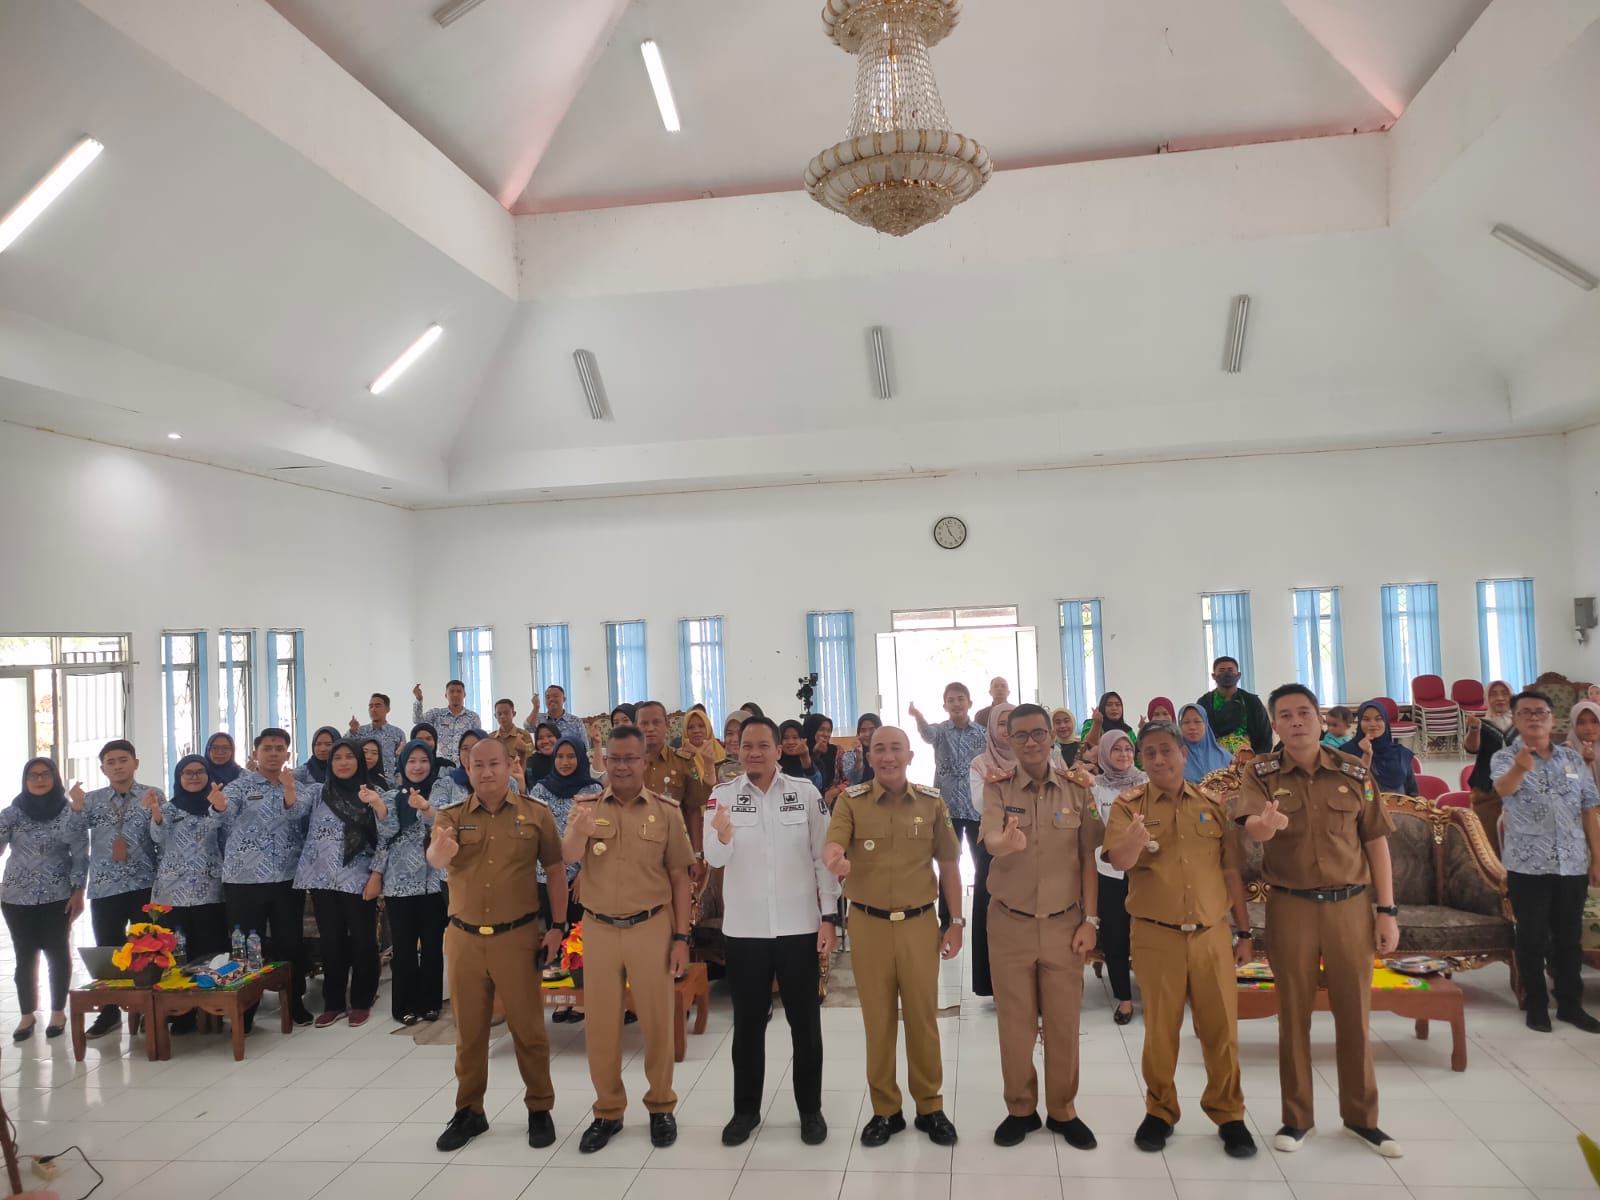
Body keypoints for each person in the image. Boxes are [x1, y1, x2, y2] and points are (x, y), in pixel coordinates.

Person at [1235, 684, 1401, 1158]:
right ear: (1275, 724)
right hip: (1291, 907)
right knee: (1293, 1015)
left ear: (1318, 716)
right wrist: (1264, 827)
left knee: (1355, 1013)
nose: (1296, 721)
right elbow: (1250, 825)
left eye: (1304, 712)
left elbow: (1376, 842)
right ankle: (1297, 1118)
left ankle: (1362, 1119)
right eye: (1284, 715)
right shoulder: (1261, 772)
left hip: (1351, 906)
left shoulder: (1353, 770)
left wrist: (1386, 911)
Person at [1104, 721, 1257, 1159]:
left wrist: (1244, 931)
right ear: (1140, 759)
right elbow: (1118, 861)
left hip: (1211, 936)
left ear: (1183, 753)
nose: (1158, 760)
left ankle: (1229, 1114)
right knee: (1160, 1031)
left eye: (1166, 751)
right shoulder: (1127, 806)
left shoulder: (1213, 804)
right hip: (1156, 937)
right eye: (1148, 753)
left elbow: (1232, 871)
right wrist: (1132, 842)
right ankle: (1160, 1111)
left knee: (1221, 1030)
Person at [824, 726, 963, 1148]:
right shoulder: (851, 802)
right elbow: (832, 845)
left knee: (923, 1017)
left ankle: (930, 1106)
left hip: (920, 923)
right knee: (878, 1020)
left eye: (895, 749)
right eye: (878, 749)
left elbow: (950, 864)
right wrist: (836, 859)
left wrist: (955, 921)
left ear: (909, 755)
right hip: (868, 924)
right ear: (868, 755)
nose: (887, 756)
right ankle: (885, 1110)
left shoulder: (932, 802)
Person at [429, 736, 568, 1153]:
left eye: (494, 764)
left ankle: (539, 1108)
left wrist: (559, 925)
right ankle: (470, 1111)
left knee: (529, 1031)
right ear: (466, 770)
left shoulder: (536, 815)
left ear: (511, 765)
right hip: (464, 940)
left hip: (518, 938)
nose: (486, 773)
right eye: (477, 766)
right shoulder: (449, 817)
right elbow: (436, 860)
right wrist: (438, 853)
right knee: (469, 1034)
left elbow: (556, 871)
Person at [705, 716, 839, 1147]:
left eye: (764, 745)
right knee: (747, 1027)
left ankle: (810, 1111)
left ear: (779, 750)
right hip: (745, 932)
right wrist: (722, 837)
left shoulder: (805, 794)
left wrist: (829, 916)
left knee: (806, 1025)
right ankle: (745, 1111)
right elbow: (714, 859)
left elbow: (824, 858)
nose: (754, 752)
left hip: (799, 927)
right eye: (747, 746)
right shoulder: (721, 796)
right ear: (737, 750)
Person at [562, 725, 695, 1154]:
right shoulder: (583, 807)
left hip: (652, 927)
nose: (621, 766)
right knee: (601, 1027)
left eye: (630, 759)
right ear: (604, 762)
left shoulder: (666, 812)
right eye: (614, 759)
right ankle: (608, 1112)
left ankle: (661, 1106)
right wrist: (579, 832)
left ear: (644, 762)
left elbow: (680, 877)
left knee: (657, 1023)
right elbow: (566, 857)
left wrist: (681, 937)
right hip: (598, 929)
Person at [979, 704, 1101, 1150]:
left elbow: (1090, 856)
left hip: (1064, 924)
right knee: (1015, 1023)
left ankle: (1063, 1110)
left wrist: (1091, 920)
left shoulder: (1078, 790)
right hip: (1009, 923)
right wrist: (1004, 843)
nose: (1030, 742)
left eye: (1038, 733)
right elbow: (991, 837)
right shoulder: (997, 789)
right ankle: (1021, 1109)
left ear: (1052, 737)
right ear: (1009, 740)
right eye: (1021, 735)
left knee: (1065, 1022)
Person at [1490, 692, 1600, 1034]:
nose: (1534, 718)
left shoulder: (1573, 759)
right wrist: (1522, 768)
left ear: (1553, 720)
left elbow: (1588, 809)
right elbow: (1504, 791)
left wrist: (1596, 858)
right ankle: (1536, 1005)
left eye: (1541, 712)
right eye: (1526, 713)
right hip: (1528, 866)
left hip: (1571, 864)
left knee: (1569, 939)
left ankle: (1570, 1005)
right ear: (1516, 721)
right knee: (1533, 938)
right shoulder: (1505, 757)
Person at [293, 739, 395, 1027]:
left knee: (363, 941)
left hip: (359, 877)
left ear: (360, 762)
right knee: (331, 943)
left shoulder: (373, 794)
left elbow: (387, 837)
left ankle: (362, 1000)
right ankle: (334, 1002)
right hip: (323, 878)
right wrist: (286, 784)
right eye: (338, 757)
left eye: (350, 757)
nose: (344, 762)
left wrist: (376, 875)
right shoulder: (317, 793)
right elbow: (293, 813)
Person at [219, 728, 316, 1028]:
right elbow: (221, 815)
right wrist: (218, 804)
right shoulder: (238, 787)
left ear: (288, 753)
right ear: (255, 753)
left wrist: (288, 789)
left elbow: (297, 814)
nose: (273, 753)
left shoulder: (300, 786)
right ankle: (246, 1008)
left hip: (287, 877)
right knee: (247, 944)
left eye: (279, 748)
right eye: (267, 748)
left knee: (291, 943)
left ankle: (294, 1002)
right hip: (244, 879)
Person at [71, 739, 160, 1039]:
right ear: (103, 768)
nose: (118, 766)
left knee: (147, 950)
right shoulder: (93, 800)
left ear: (136, 762)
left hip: (144, 884)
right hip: (105, 886)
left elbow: (163, 837)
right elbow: (73, 836)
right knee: (108, 951)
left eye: (123, 759)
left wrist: (156, 813)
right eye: (111, 762)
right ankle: (109, 1013)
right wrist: (77, 808)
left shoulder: (152, 794)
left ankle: (149, 1010)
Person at [0, 759, 86, 1041]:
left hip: (57, 894)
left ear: (55, 777)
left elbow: (80, 854)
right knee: (25, 955)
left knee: (57, 952)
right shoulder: (12, 813)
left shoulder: (68, 813)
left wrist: (78, 891)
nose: (39, 780)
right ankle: (27, 1015)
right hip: (16, 896)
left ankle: (58, 1012)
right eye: (33, 775)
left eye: (45, 774)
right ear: (25, 780)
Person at [530, 736, 601, 1024]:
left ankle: (582, 998)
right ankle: (561, 996)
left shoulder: (593, 789)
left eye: (571, 756)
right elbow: (535, 832)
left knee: (581, 936)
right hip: (547, 875)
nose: (565, 761)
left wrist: (585, 870)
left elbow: (598, 835)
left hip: (582, 876)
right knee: (554, 933)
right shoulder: (540, 790)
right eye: (560, 756)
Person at [375, 740, 446, 1025]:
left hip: (433, 882)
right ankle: (403, 1005)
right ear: (403, 765)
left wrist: (426, 808)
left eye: (423, 760)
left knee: (431, 947)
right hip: (399, 884)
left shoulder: (440, 793)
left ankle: (430, 1003)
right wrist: (379, 806)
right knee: (404, 948)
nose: (418, 766)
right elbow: (386, 832)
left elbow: (441, 825)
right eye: (411, 761)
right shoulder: (391, 796)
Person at [909, 682, 988, 930]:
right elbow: (926, 734)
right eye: (951, 700)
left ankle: (984, 913)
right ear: (945, 705)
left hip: (976, 807)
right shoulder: (941, 731)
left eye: (960, 699)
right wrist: (919, 718)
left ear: (969, 703)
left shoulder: (981, 733)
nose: (956, 703)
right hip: (947, 808)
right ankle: (947, 918)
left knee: (982, 863)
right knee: (948, 862)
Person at [961, 703, 1017, 999]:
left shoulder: (1037, 758)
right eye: (1002, 724)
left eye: (1013, 723)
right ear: (991, 728)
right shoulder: (980, 763)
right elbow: (980, 806)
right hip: (993, 843)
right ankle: (992, 983)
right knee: (990, 911)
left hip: (1031, 843)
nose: (1007, 730)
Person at [150, 756, 229, 962]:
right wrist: (156, 815)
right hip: (171, 893)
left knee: (211, 953)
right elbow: (157, 837)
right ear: (179, 776)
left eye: (200, 772)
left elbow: (225, 831)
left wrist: (219, 809)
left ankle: (211, 994)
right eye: (188, 772)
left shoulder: (217, 806)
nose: (194, 777)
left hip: (210, 892)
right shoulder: (167, 808)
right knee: (174, 956)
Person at [1090, 731, 1145, 1023]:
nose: (1124, 754)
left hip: (1145, 871)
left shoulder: (1146, 782)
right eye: (1117, 750)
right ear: (1105, 754)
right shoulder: (1096, 788)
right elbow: (1095, 829)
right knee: (1115, 936)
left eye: (1128, 749)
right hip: (1109, 871)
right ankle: (1124, 999)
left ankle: (1153, 992)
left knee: (1149, 934)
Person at [638, 700, 711, 874]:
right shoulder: (627, 763)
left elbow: (693, 810)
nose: (650, 728)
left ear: (667, 725)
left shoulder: (683, 762)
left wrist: (697, 855)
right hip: (636, 851)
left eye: (656, 722)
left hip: (675, 851)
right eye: (644, 723)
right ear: (636, 727)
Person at [1464, 681, 1515, 856]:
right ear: (1487, 698)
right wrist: (1474, 729)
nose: (1500, 698)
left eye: (1504, 693)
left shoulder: (1521, 724)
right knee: (1488, 848)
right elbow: (1472, 748)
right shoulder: (1482, 723)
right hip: (1487, 792)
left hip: (1519, 792)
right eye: (1494, 694)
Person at [1341, 702, 1419, 796]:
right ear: (1359, 723)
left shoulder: (1400, 753)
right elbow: (1353, 786)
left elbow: (1412, 792)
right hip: (1364, 808)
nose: (1373, 724)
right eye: (1366, 719)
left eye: (1378, 719)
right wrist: (1366, 755)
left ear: (1385, 722)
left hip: (1398, 808)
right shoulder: (1346, 752)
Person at [1198, 658, 1273, 755]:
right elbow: (1200, 736)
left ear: (1238, 675)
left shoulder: (1252, 701)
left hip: (1248, 759)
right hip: (1214, 759)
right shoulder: (1204, 703)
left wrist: (1256, 761)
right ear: (1213, 676)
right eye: (1221, 671)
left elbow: (1265, 735)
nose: (1226, 674)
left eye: (1230, 670)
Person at [412, 681, 482, 765]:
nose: (455, 694)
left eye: (459, 691)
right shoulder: (437, 714)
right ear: (446, 695)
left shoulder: (473, 717)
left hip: (464, 765)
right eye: (451, 691)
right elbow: (417, 720)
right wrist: (419, 699)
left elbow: (477, 742)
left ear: (464, 695)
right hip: (440, 765)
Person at [430, 729, 487, 810]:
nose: (469, 753)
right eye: (465, 748)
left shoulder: (501, 780)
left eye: (476, 747)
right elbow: (435, 813)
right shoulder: (447, 783)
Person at [1179, 703, 1233, 783]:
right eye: (1186, 722)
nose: (1192, 727)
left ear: (1206, 724)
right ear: (1180, 726)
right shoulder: (1175, 758)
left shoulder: (1225, 757)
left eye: (1197, 721)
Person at [349, 692, 405, 768]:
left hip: (387, 778)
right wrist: (352, 731)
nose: (373, 709)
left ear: (387, 709)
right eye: (370, 706)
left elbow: (402, 761)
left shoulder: (397, 733)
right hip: (364, 778)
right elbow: (346, 750)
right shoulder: (359, 731)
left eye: (377, 706)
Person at [526, 684, 588, 750]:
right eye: (548, 697)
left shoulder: (576, 721)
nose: (551, 699)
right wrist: (536, 707)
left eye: (555, 696)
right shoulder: (539, 718)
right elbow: (528, 728)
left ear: (564, 699)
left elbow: (584, 747)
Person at [834, 713, 880, 795]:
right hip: (860, 797)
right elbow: (853, 780)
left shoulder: (885, 754)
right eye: (863, 730)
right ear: (858, 734)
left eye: (871, 729)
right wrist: (859, 756)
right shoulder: (850, 755)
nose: (867, 734)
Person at [682, 705, 726, 791]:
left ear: (708, 728)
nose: (696, 730)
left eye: (701, 726)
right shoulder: (679, 757)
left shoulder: (719, 751)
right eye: (691, 727)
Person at [778, 720, 824, 790]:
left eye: (795, 737)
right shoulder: (774, 762)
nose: (790, 742)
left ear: (802, 739)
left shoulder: (815, 760)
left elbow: (816, 786)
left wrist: (805, 757)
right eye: (785, 738)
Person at [490, 698, 535, 766]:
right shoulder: (490, 738)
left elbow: (530, 759)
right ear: (495, 716)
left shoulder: (524, 735)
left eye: (506, 713)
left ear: (513, 714)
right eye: (499, 714)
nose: (502, 716)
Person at [803, 713, 838, 794]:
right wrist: (816, 754)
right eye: (821, 729)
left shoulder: (836, 751)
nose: (826, 734)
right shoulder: (802, 751)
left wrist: (836, 790)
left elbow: (849, 779)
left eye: (829, 730)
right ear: (812, 730)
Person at [719, 709, 753, 784]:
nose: (734, 739)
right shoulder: (717, 767)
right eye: (729, 733)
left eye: (740, 733)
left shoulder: (767, 767)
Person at [526, 721, 560, 790]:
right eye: (540, 738)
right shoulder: (530, 763)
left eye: (549, 736)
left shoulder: (566, 761)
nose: (545, 741)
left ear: (558, 738)